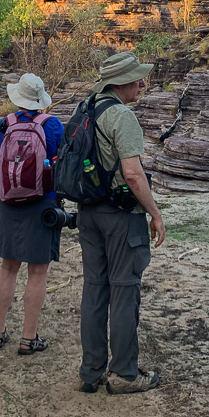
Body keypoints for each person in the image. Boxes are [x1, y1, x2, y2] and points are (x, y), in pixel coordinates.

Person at [78, 52, 166, 395]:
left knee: (94, 289)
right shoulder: (122, 116)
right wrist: (155, 213)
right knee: (125, 291)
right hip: (119, 216)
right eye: (137, 78)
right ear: (119, 83)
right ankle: (125, 374)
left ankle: (91, 371)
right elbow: (133, 174)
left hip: (88, 212)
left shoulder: (84, 109)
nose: (142, 84)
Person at [0, 73, 64, 355]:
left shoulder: (3, 124)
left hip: (9, 201)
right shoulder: (53, 125)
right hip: (44, 202)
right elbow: (62, 165)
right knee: (38, 270)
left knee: (8, 267)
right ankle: (28, 338)